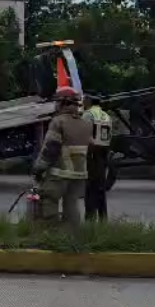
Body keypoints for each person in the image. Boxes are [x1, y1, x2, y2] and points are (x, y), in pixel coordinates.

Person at [31, 86, 92, 227]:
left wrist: (39, 168)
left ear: (63, 102)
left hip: (60, 172)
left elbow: (51, 149)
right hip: (79, 174)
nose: (56, 105)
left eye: (57, 102)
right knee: (71, 204)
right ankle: (71, 237)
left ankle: (49, 234)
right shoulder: (86, 124)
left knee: (48, 200)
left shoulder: (58, 122)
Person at [82, 94, 112, 221]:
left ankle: (89, 219)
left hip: (92, 155)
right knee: (100, 189)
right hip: (103, 154)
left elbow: (83, 134)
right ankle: (103, 219)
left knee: (90, 189)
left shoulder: (88, 114)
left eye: (84, 100)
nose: (82, 103)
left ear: (88, 101)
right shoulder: (106, 115)